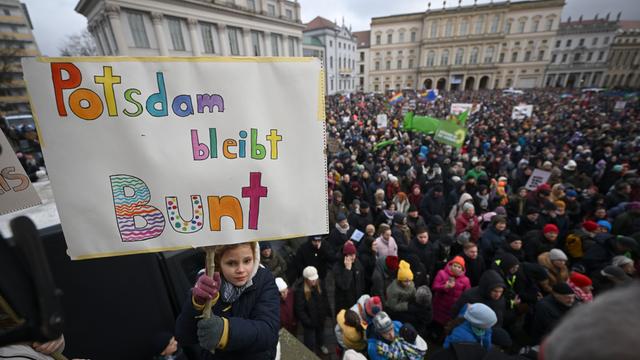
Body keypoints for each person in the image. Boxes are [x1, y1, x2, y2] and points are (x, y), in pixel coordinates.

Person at [175, 242, 279, 359]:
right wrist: (197, 305)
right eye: (231, 263)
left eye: (247, 261)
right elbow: (183, 336)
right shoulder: (206, 283)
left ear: (255, 257)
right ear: (219, 262)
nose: (241, 269)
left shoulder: (264, 279)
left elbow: (269, 331)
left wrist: (225, 331)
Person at [294, 266, 331, 356]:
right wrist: (308, 322)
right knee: (309, 339)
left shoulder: (320, 284)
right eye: (312, 279)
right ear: (306, 279)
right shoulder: (300, 290)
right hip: (309, 321)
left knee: (321, 334)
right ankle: (310, 352)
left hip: (320, 317)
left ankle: (321, 345)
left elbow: (325, 299)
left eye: (315, 278)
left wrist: (327, 312)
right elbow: (299, 309)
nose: (314, 281)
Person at [432, 256, 471, 329]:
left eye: (459, 267)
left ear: (462, 269)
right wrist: (445, 287)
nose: (456, 268)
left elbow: (466, 295)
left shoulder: (466, 280)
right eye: (455, 265)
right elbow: (435, 286)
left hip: (452, 309)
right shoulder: (442, 273)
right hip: (439, 306)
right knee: (434, 325)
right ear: (451, 265)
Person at [334, 241, 366, 314]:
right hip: (345, 304)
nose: (353, 257)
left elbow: (362, 281)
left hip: (357, 300)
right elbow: (344, 285)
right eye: (351, 255)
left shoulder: (357, 263)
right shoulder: (337, 267)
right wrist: (347, 270)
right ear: (345, 256)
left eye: (354, 254)